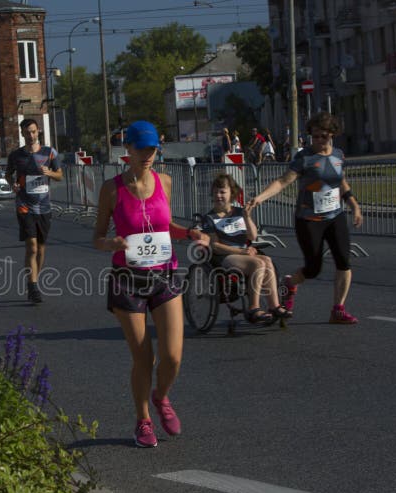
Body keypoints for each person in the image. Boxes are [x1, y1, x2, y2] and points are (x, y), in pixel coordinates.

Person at [92, 120, 210, 448]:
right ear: (126, 149)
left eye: (152, 149)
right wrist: (111, 244)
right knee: (145, 358)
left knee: (172, 356)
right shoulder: (111, 189)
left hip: (164, 275)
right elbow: (97, 237)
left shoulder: (165, 181)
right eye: (140, 148)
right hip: (127, 280)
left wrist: (189, 233)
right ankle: (142, 420)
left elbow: (164, 225)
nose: (147, 155)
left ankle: (161, 396)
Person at [248, 111, 363, 324]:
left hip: (335, 216)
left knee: (344, 262)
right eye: (315, 136)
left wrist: (354, 206)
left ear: (332, 135)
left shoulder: (338, 154)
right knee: (313, 268)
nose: (319, 141)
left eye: (324, 136)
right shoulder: (305, 158)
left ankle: (338, 309)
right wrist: (260, 197)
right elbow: (283, 181)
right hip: (309, 220)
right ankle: (290, 283)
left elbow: (341, 182)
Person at [201, 173, 291, 324]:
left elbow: (253, 236)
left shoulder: (238, 213)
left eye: (222, 191)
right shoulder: (210, 218)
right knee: (258, 263)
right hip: (225, 256)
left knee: (267, 260)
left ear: (231, 194)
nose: (218, 195)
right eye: (216, 191)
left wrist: (247, 217)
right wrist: (242, 251)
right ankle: (253, 307)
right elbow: (215, 246)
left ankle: (274, 305)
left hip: (243, 253)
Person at [5, 118, 62, 304]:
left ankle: (34, 279)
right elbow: (8, 174)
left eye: (33, 131)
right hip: (24, 205)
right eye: (27, 132)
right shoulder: (16, 156)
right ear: (21, 134)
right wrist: (12, 183)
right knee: (32, 245)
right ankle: (33, 285)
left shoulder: (49, 152)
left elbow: (59, 175)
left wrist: (50, 173)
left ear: (38, 132)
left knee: (42, 248)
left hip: (44, 206)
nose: (30, 135)